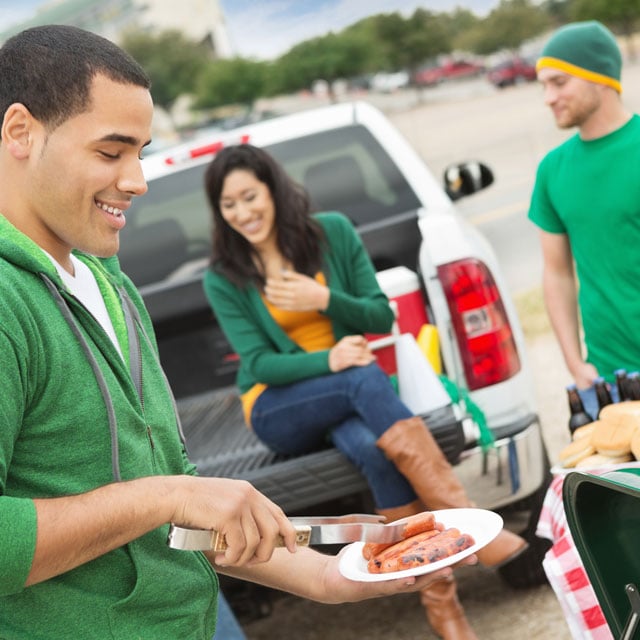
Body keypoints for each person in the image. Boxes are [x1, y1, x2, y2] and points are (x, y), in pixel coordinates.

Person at [0, 24, 474, 639]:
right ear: (20, 133)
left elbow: (183, 501)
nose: (138, 180)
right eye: (110, 152)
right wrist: (163, 496)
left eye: (140, 152)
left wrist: (327, 579)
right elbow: (166, 497)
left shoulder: (108, 281)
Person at [202, 143, 528, 640]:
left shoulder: (330, 233)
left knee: (373, 451)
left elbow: (380, 315)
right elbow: (260, 362)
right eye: (230, 205)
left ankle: (443, 607)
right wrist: (328, 360)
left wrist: (323, 298)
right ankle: (470, 523)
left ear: (272, 189)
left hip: (347, 394)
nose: (243, 213)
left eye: (250, 196)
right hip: (277, 406)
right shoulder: (225, 276)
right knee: (361, 378)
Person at [528, 20, 639, 420]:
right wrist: (576, 364)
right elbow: (557, 273)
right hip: (611, 378)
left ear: (600, 78)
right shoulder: (552, 171)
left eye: (559, 83)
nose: (548, 97)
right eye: (543, 86)